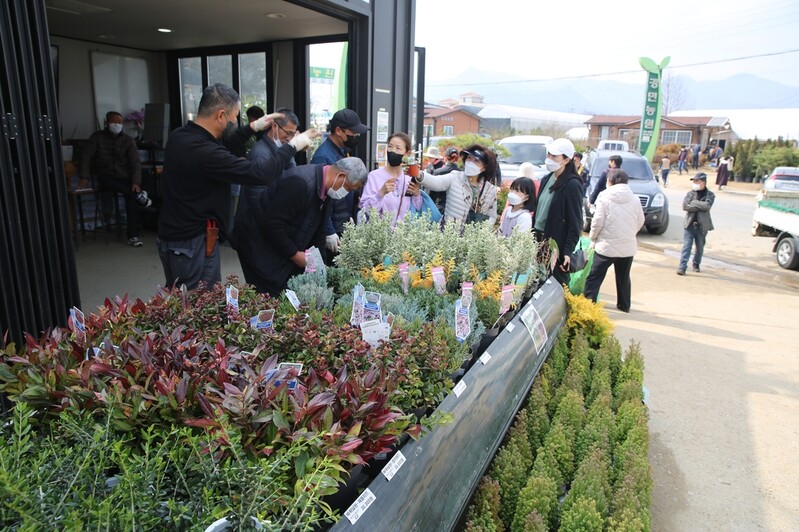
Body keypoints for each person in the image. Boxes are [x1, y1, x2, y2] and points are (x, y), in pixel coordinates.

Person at [156, 83, 316, 291]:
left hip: (185, 237)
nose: (235, 121)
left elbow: (224, 144)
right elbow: (260, 174)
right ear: (221, 115)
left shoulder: (182, 136)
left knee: (193, 299)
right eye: (234, 117)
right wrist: (293, 146)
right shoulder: (203, 151)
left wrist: (250, 129)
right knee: (196, 305)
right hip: (190, 243)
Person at [254, 158, 368, 296]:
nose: (347, 193)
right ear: (341, 176)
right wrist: (295, 255)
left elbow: (319, 230)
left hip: (283, 245)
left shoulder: (327, 190)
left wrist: (321, 265)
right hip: (258, 245)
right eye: (349, 188)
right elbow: (273, 224)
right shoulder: (300, 183)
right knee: (268, 295)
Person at [232, 108, 303, 280]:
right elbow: (258, 203)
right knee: (262, 283)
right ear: (274, 126)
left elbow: (292, 177)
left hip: (266, 227)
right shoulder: (260, 153)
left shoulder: (283, 148)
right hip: (254, 231)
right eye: (288, 133)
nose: (290, 138)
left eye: (294, 135)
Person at [583, 169, 645, 312]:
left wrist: (593, 237)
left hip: (606, 246)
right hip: (627, 246)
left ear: (610, 181)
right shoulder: (635, 198)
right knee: (623, 277)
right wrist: (630, 234)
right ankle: (624, 305)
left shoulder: (604, 197)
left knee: (594, 277)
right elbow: (640, 220)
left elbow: (597, 222)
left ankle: (588, 306)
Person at [79, 111, 144, 247]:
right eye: (114, 122)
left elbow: (135, 163)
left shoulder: (128, 140)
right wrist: (84, 177)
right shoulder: (97, 138)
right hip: (106, 176)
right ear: (107, 123)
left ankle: (133, 235)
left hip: (124, 177)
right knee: (126, 191)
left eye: (120, 123)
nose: (117, 125)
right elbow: (86, 157)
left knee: (132, 195)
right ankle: (138, 196)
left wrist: (136, 182)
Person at [310, 108, 368, 256]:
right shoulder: (323, 157)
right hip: (332, 227)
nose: (356, 136)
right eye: (353, 133)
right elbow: (317, 200)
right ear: (338, 131)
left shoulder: (342, 150)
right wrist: (329, 231)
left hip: (343, 220)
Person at [531, 138, 584, 286]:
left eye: (554, 156)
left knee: (553, 283)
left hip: (554, 244)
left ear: (566, 160)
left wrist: (567, 251)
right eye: (548, 155)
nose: (549, 159)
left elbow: (575, 222)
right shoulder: (546, 179)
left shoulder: (572, 184)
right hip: (537, 239)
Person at [418, 144, 498, 226]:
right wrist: (418, 174)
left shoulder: (490, 189)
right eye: (469, 158)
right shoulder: (455, 177)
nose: (470, 162)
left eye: (476, 160)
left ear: (484, 167)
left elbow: (492, 216)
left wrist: (481, 229)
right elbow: (436, 182)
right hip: (450, 233)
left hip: (473, 236)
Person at [359, 132, 423, 224]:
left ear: (407, 153)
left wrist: (417, 194)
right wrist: (380, 194)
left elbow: (418, 210)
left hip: (404, 235)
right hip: (380, 234)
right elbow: (365, 209)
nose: (392, 151)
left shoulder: (409, 178)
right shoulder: (374, 176)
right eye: (390, 146)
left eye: (398, 148)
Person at [677, 172, 715, 275]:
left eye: (696, 181)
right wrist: (699, 206)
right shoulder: (690, 193)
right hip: (689, 225)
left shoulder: (710, 195)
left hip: (702, 227)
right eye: (694, 181)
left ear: (703, 182)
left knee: (700, 248)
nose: (694, 183)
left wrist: (693, 203)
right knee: (686, 247)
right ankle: (682, 267)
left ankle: (696, 264)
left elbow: (707, 206)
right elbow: (685, 206)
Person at [428, 146, 460, 214]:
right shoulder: (461, 173)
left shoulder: (438, 172)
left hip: (440, 207)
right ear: (457, 159)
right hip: (456, 209)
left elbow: (432, 193)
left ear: (445, 158)